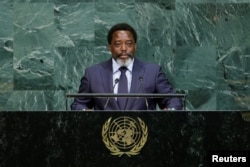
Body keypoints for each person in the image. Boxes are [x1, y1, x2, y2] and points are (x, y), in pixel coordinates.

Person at [71, 23, 183, 111]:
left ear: (135, 46)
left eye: (129, 44)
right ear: (110, 47)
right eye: (118, 44)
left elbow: (172, 100)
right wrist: (83, 112)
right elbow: (79, 103)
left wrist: (171, 110)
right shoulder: (93, 74)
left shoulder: (152, 72)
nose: (124, 48)